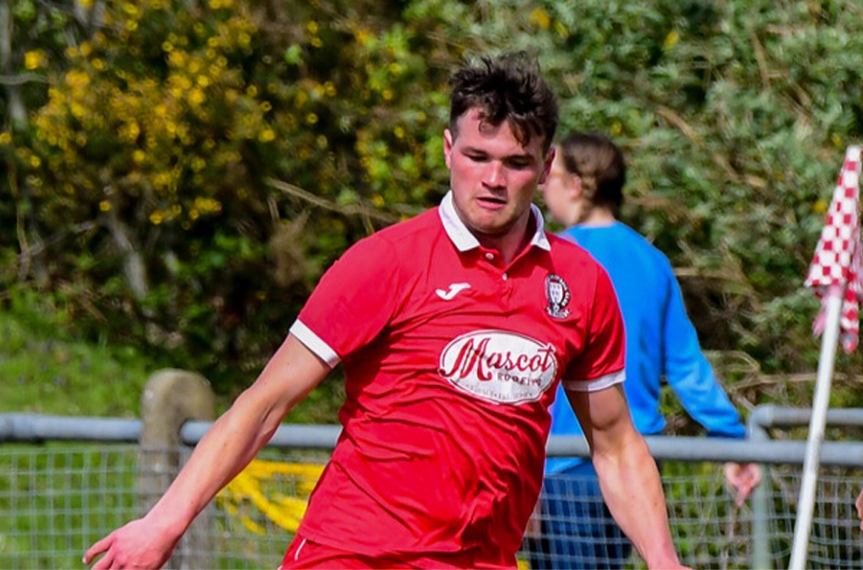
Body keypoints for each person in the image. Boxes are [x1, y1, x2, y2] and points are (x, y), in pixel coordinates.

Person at [83, 54, 687, 570]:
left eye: (516, 163)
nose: (493, 179)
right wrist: (164, 523)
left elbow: (615, 444)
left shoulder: (580, 284)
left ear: (547, 166)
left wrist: (664, 562)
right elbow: (263, 405)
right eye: (477, 156)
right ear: (448, 150)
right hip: (353, 553)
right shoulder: (386, 262)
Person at [531, 131, 761, 569]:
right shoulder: (652, 261)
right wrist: (732, 441)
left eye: (551, 176)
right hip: (636, 470)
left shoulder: (554, 259)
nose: (543, 187)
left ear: (577, 185)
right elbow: (687, 365)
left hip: (564, 468)